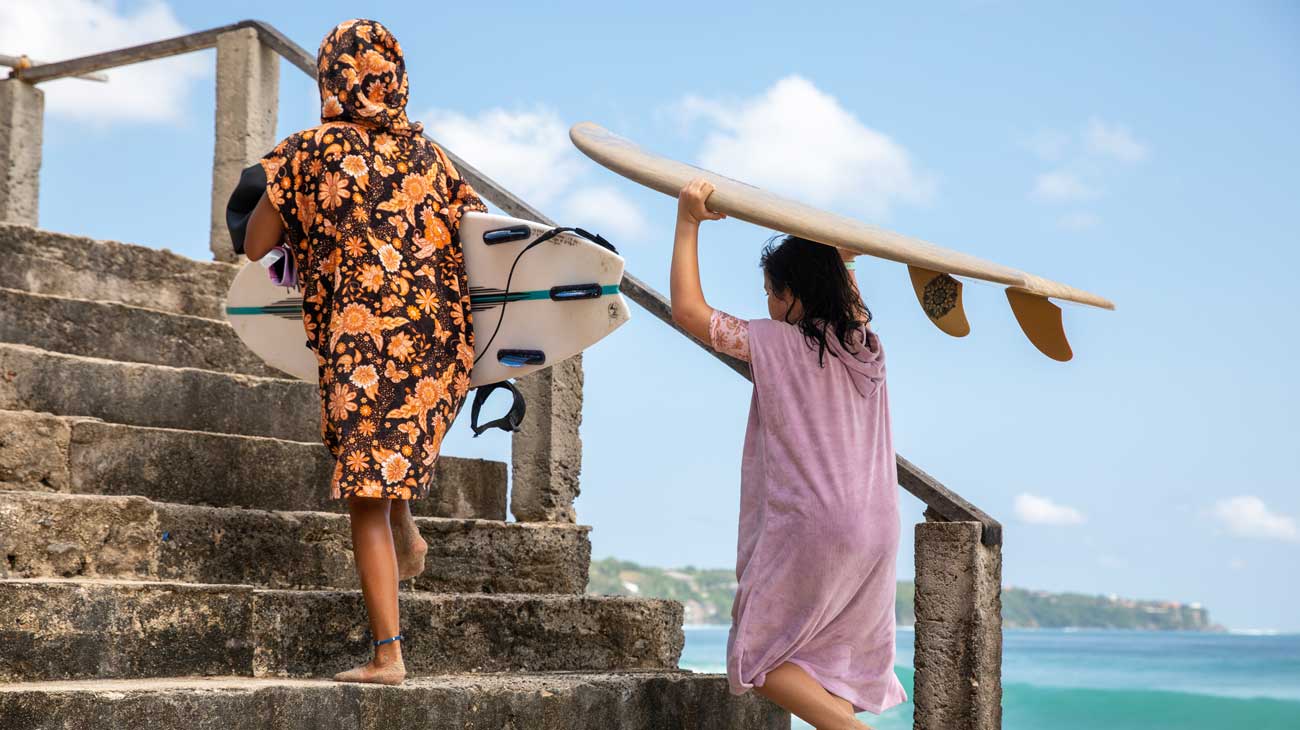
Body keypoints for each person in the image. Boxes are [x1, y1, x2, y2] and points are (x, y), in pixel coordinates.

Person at [239, 18, 488, 685]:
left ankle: (388, 655)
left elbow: (254, 244)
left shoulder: (311, 149)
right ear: (394, 77)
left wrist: (300, 204)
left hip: (363, 340)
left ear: (332, 76)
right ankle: (408, 531)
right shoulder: (434, 158)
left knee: (363, 494)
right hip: (436, 340)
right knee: (385, 458)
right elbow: (481, 223)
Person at [670, 179, 907, 729]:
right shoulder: (864, 347)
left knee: (759, 655)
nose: (770, 306)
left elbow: (688, 309)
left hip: (812, 525)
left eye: (775, 294)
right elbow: (848, 303)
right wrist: (839, 256)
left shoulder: (773, 344)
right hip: (876, 527)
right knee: (837, 663)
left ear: (797, 294)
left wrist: (688, 221)